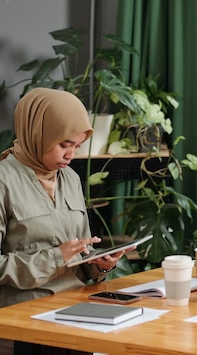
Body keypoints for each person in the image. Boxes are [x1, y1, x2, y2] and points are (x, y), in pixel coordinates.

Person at [0, 88, 129, 355]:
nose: (71, 155)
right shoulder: (4, 181)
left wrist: (97, 264)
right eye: (64, 144)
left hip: (78, 306)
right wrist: (54, 258)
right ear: (38, 133)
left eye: (77, 146)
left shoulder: (70, 179)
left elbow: (80, 250)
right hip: (27, 314)